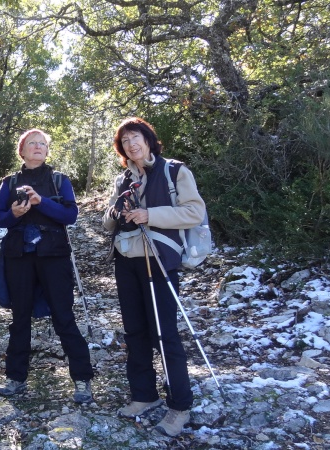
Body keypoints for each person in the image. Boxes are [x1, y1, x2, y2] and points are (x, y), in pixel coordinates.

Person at [102, 117, 206, 437]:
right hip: (127, 260)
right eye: (125, 142)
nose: (132, 145)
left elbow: (194, 211)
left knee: (164, 334)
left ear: (148, 140)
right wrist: (116, 212)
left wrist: (149, 215)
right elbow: (108, 223)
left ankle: (179, 406)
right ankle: (144, 395)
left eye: (136, 138)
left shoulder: (174, 171)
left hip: (158, 260)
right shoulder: (123, 180)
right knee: (135, 332)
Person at [0, 128, 95, 404]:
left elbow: (70, 215)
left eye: (42, 144)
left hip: (54, 256)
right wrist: (14, 213)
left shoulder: (59, 180)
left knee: (63, 317)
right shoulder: (9, 181)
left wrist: (41, 202)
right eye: (31, 143)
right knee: (20, 318)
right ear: (22, 150)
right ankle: (15, 379)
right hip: (19, 256)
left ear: (47, 151)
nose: (37, 147)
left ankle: (83, 379)